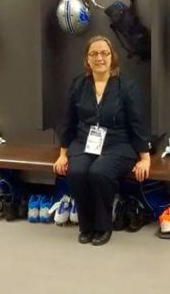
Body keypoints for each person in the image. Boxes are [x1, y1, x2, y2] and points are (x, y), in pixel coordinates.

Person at [53, 35, 151, 246]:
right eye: (94, 54)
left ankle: (103, 226)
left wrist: (145, 158)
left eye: (104, 53)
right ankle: (86, 226)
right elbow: (68, 122)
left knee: (99, 172)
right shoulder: (78, 84)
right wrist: (62, 155)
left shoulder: (126, 85)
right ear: (87, 59)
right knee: (77, 171)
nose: (99, 58)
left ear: (112, 57)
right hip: (84, 143)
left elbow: (137, 122)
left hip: (118, 144)